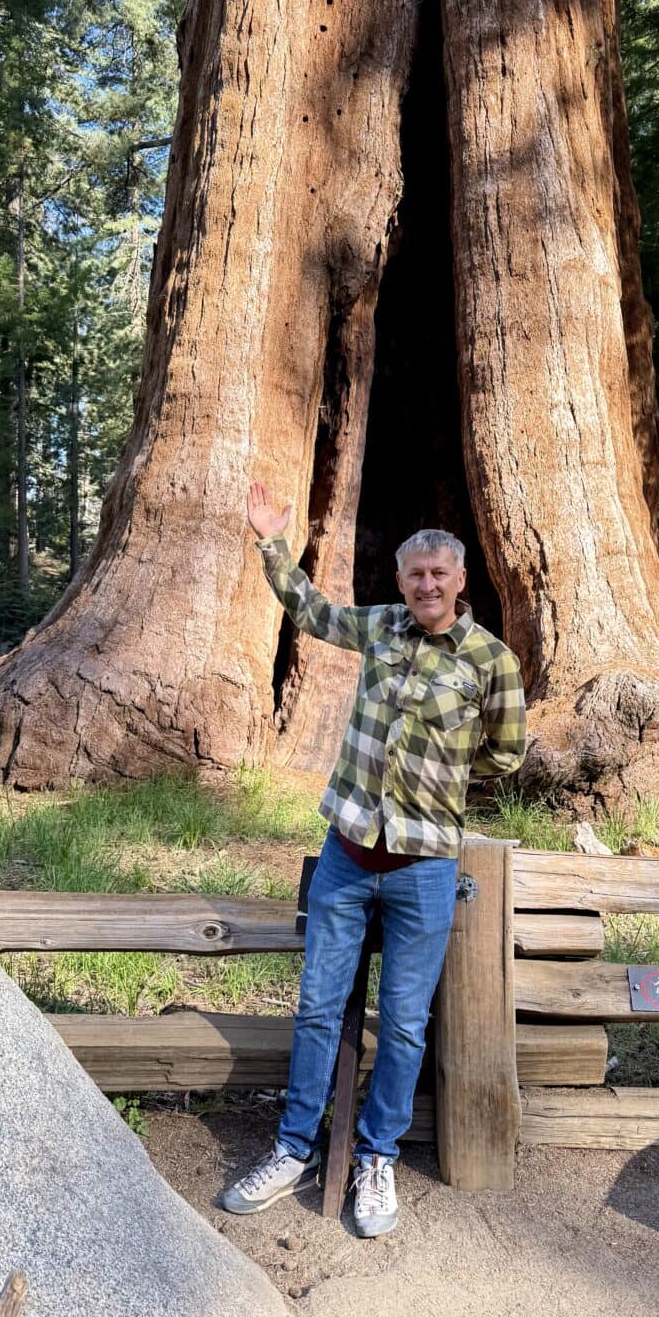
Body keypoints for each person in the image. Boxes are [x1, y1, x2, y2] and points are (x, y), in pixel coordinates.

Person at [221, 481, 527, 1236]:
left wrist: (448, 776)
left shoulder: (491, 660)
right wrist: (270, 541)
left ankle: (376, 1157)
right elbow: (312, 611)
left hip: (425, 865)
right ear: (401, 582)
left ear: (460, 582)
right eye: (415, 573)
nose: (427, 584)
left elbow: (508, 752)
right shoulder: (383, 627)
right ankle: (293, 1146)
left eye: (439, 574)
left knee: (403, 1022)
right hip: (348, 855)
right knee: (319, 1006)